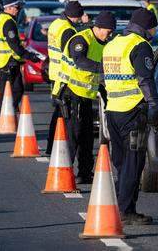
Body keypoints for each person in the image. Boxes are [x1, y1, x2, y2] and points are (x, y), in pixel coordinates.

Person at [102, 8, 158, 225]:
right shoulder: (140, 45)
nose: (154, 30)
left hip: (113, 111)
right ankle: (126, 211)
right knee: (133, 163)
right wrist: (155, 105)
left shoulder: (112, 44)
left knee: (121, 162)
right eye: (153, 26)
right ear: (146, 26)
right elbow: (145, 79)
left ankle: (120, 205)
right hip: (133, 112)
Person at [60, 10, 116, 184]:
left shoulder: (105, 43)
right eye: (108, 31)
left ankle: (84, 172)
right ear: (98, 28)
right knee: (73, 135)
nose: (111, 35)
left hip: (87, 95)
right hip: (72, 93)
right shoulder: (81, 39)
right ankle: (64, 173)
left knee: (86, 136)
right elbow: (80, 61)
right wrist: (102, 68)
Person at [0, 0, 41, 126]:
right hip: (10, 61)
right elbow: (14, 45)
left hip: (2, 61)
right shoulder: (8, 22)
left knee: (6, 92)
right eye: (16, 7)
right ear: (9, 8)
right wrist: (29, 56)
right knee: (17, 90)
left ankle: (2, 115)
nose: (18, 10)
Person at [45, 1, 85, 154]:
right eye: (79, 17)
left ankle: (51, 146)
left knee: (58, 114)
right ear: (75, 15)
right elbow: (70, 54)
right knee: (64, 115)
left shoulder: (56, 23)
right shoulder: (68, 30)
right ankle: (58, 148)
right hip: (64, 76)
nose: (80, 20)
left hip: (55, 72)